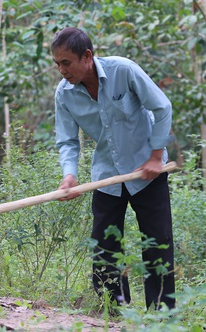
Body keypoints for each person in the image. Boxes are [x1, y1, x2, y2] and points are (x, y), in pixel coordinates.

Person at [51, 27, 175, 311]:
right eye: (57, 64)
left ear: (87, 56)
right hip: (107, 177)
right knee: (104, 247)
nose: (61, 70)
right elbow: (68, 141)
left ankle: (160, 314)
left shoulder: (124, 70)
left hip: (148, 172)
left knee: (157, 243)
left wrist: (156, 156)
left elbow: (162, 107)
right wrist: (69, 174)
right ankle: (114, 310)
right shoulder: (64, 94)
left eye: (66, 62)